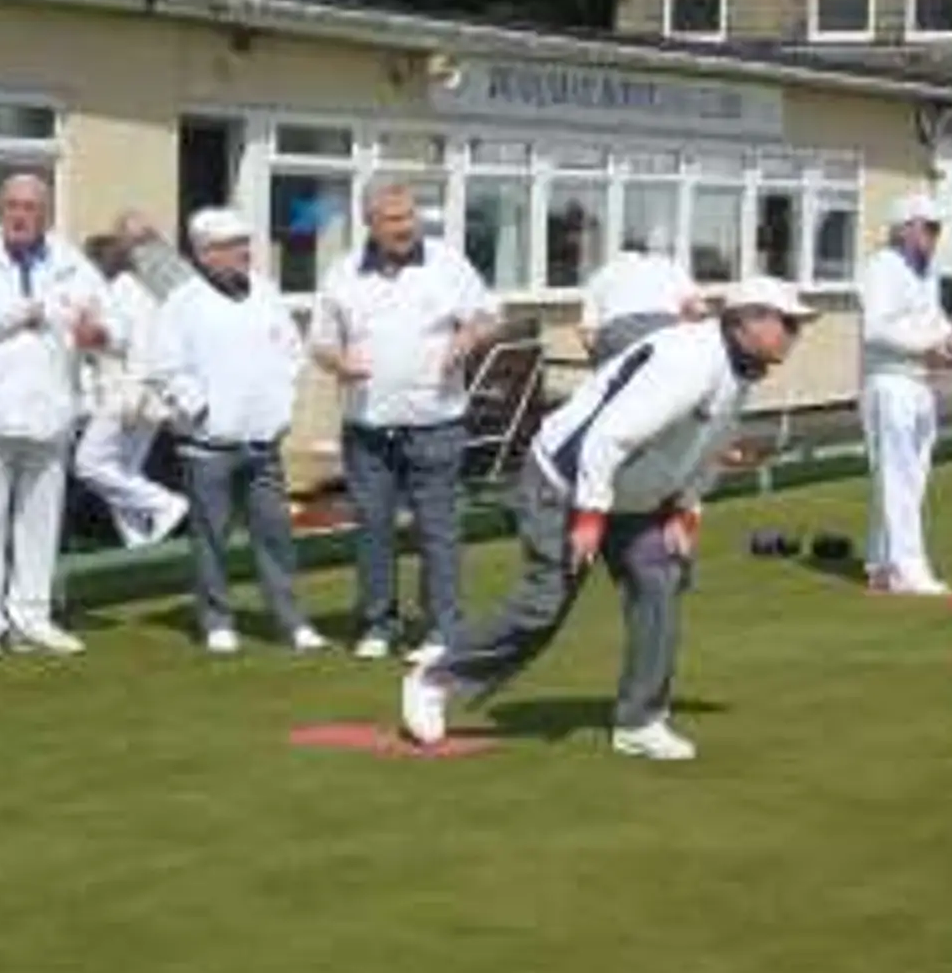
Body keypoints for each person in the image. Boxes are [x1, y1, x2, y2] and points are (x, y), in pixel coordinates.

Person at [399, 277, 815, 762]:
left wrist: (686, 509)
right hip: (568, 482)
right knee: (543, 608)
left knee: (658, 581)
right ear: (748, 319)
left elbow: (707, 448)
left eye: (797, 325)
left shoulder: (741, 368)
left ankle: (640, 721)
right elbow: (606, 439)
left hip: (635, 495)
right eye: (788, 323)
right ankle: (437, 676)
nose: (795, 334)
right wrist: (590, 518)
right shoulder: (692, 362)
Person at [311, 182, 496, 661]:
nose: (406, 227)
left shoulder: (447, 262)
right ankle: (378, 624)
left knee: (438, 529)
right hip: (367, 426)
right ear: (370, 223)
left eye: (411, 217)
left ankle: (442, 629)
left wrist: (468, 338)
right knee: (373, 528)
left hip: (436, 421)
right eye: (394, 220)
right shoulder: (342, 273)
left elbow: (486, 315)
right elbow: (322, 343)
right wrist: (340, 365)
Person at [0, 173, 117, 659]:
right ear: (0, 209)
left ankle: (32, 616)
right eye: (12, 206)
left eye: (31, 208)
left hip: (50, 410)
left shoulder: (72, 263)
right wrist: (24, 311)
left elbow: (113, 323)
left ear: (47, 214)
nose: (20, 215)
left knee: (40, 522)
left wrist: (97, 334)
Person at [144, 207, 325, 655]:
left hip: (263, 441)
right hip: (208, 445)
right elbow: (165, 368)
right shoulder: (182, 302)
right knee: (211, 537)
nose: (244, 251)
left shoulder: (265, 292)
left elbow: (290, 351)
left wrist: (281, 406)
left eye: (245, 242)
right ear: (205, 254)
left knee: (276, 533)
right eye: (231, 245)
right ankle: (216, 619)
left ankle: (291, 620)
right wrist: (201, 410)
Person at [859, 196, 952, 596]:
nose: (935, 236)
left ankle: (882, 563)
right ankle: (907, 569)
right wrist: (926, 347)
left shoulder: (927, 273)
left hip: (920, 383)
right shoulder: (881, 268)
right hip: (889, 382)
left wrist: (949, 338)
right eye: (929, 227)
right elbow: (876, 330)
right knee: (898, 477)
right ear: (904, 227)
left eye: (938, 229)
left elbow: (932, 317)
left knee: (911, 478)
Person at [72, 229, 188, 550]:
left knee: (89, 464)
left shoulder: (118, 294)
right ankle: (136, 541)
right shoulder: (142, 292)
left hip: (127, 392)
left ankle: (166, 505)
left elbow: (120, 341)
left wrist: (88, 331)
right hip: (149, 394)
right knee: (122, 474)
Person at [578, 226, 705, 366]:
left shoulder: (602, 274)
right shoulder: (668, 266)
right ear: (649, 248)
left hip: (619, 335)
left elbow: (588, 333)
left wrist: (597, 361)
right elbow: (699, 309)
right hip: (664, 331)